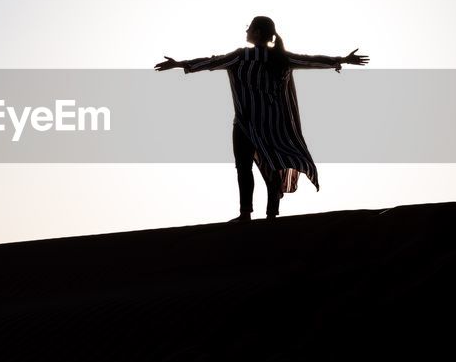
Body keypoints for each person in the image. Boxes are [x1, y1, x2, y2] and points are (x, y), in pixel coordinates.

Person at [154, 16, 369, 223]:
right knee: (271, 164)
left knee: (244, 167)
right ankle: (271, 213)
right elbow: (311, 60)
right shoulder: (281, 58)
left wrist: (178, 64)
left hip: (245, 124)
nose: (246, 31)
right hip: (273, 124)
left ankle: (246, 213)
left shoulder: (241, 56)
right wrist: (342, 60)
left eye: (249, 28)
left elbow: (212, 62)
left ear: (256, 32)